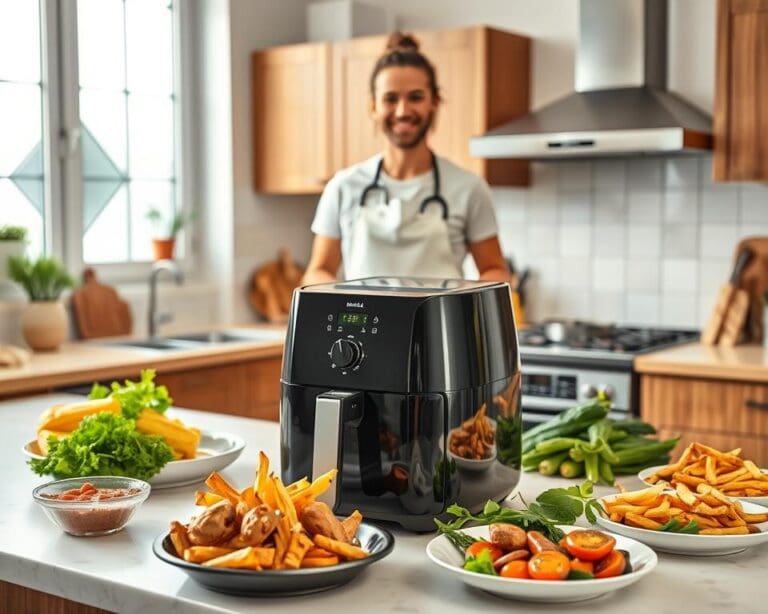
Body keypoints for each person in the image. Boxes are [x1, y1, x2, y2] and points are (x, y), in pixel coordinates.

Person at [302, 32, 513, 285]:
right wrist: (331, 295)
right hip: (363, 314)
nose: (402, 111)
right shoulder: (342, 187)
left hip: (439, 314)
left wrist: (469, 301)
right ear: (373, 106)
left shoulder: (469, 188)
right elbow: (318, 270)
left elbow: (495, 270)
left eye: (415, 97)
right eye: (390, 99)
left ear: (434, 102)